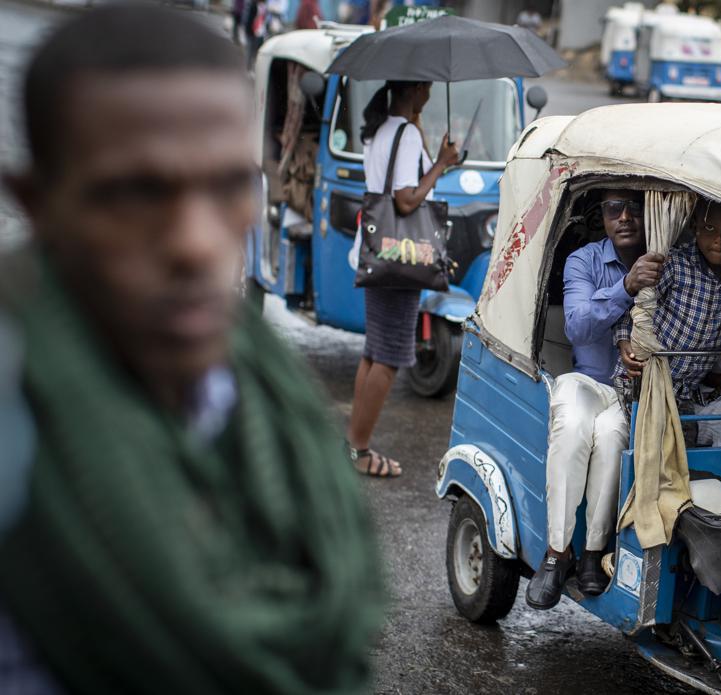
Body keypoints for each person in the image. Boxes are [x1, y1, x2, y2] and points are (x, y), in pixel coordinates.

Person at [0, 7, 382, 693]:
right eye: (136, 193)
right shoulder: (16, 446)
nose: (197, 244)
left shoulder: (267, 401)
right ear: (37, 202)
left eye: (229, 185)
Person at [525, 189, 664, 610]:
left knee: (611, 438)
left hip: (631, 393)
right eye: (613, 209)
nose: (624, 217)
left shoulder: (667, 263)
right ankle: (556, 552)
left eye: (634, 207)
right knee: (570, 426)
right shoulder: (583, 261)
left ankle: (593, 552)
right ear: (602, 217)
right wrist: (625, 285)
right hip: (588, 380)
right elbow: (578, 328)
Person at [347, 81, 459, 478]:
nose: (430, 90)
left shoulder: (380, 128)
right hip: (402, 255)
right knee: (391, 356)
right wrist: (442, 164)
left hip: (377, 249)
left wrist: (435, 154)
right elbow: (406, 198)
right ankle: (360, 451)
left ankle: (353, 445)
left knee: (374, 352)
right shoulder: (406, 133)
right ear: (414, 88)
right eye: (426, 84)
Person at [614, 198, 721, 418]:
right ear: (694, 227)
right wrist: (624, 341)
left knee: (683, 448)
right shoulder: (674, 263)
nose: (720, 239)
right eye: (709, 228)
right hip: (641, 381)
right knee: (643, 445)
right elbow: (632, 308)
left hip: (685, 393)